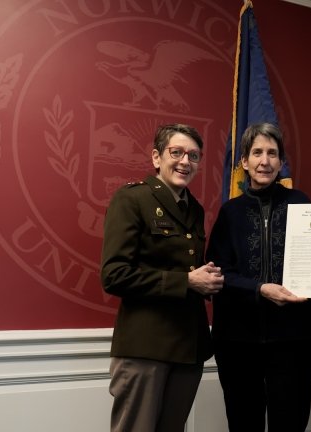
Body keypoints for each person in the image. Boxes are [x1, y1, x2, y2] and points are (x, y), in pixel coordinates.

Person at [206, 122, 311, 432]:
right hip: (238, 342)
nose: (264, 161)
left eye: (272, 153)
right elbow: (217, 273)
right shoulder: (231, 213)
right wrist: (260, 288)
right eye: (256, 153)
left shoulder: (302, 204)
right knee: (244, 425)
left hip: (293, 341)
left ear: (281, 162)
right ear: (244, 161)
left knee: (290, 425)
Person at [100, 123, 224, 432]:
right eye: (177, 152)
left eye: (194, 156)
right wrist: (187, 281)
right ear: (157, 157)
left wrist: (207, 278)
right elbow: (114, 276)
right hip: (145, 347)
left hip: (188, 346)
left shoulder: (193, 208)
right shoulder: (132, 199)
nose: (185, 161)